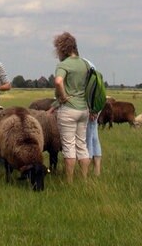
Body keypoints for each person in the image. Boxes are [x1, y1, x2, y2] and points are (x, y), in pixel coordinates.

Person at [53, 32, 90, 183]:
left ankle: (69, 181)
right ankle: (85, 179)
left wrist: (62, 97)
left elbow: (58, 81)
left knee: (69, 147)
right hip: (84, 109)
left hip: (69, 109)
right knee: (82, 145)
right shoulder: (85, 64)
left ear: (63, 48)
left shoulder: (64, 64)